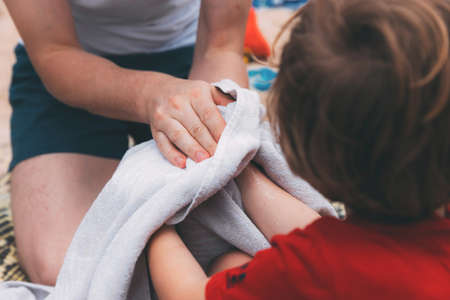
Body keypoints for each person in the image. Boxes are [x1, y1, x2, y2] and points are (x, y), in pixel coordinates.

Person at [147, 0, 450, 299]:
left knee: (227, 263)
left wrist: (153, 225)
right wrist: (245, 176)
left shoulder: (305, 268)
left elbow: (189, 294)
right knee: (233, 263)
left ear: (302, 157)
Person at [4, 0, 252, 285]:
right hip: (67, 62)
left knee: (232, 242)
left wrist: (213, 120)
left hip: (190, 49)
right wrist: (150, 95)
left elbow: (221, 46)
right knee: (67, 270)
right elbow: (54, 51)